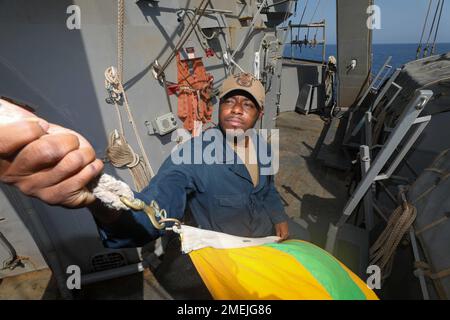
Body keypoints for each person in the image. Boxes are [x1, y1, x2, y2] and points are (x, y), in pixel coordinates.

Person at [0, 73, 309, 298]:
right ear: (219, 108)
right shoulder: (192, 154)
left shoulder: (263, 146)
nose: (237, 109)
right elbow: (152, 215)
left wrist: (278, 216)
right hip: (221, 258)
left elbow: (266, 189)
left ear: (259, 115)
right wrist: (102, 199)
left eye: (247, 104)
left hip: (263, 246)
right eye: (229, 101)